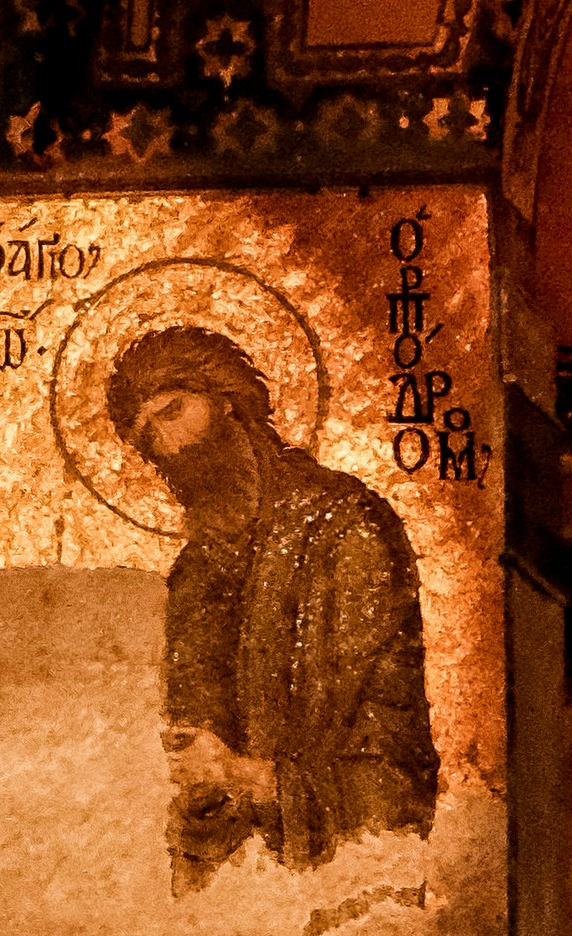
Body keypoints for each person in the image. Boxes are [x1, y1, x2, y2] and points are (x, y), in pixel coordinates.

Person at [104, 320, 439, 886]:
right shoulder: (194, 575)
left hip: (356, 879)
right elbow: (199, 749)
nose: (167, 448)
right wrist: (200, 790)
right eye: (145, 440)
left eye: (172, 411)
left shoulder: (343, 528)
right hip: (241, 892)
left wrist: (244, 777)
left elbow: (398, 785)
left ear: (229, 401)